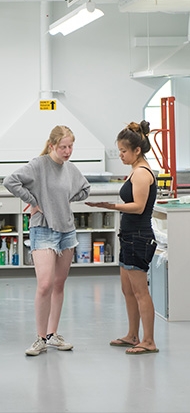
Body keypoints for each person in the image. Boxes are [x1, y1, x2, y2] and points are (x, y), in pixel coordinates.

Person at [3, 125, 90, 356]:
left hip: (67, 231)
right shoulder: (39, 165)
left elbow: (85, 190)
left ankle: (52, 335)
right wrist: (33, 200)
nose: (68, 151)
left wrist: (65, 198)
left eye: (71, 146)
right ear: (52, 145)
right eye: (63, 147)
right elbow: (10, 181)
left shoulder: (70, 169)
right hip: (43, 228)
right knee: (45, 285)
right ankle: (40, 338)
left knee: (59, 284)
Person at [86, 121, 159, 355]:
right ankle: (132, 335)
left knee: (140, 292)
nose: (120, 155)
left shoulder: (141, 173)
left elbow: (138, 207)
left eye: (124, 151)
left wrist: (110, 205)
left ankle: (148, 341)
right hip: (128, 236)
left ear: (137, 150)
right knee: (127, 290)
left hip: (138, 236)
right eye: (119, 151)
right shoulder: (134, 171)